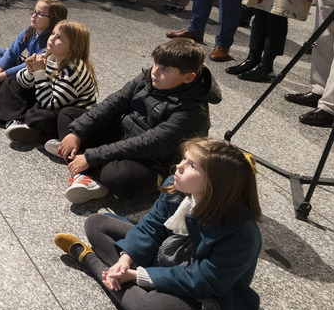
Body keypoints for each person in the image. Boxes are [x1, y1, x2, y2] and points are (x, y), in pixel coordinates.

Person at [54, 138, 277, 310]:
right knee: (95, 222)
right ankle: (128, 286)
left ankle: (90, 261)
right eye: (183, 159)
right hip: (164, 258)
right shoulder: (176, 185)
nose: (178, 167)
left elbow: (204, 280)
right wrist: (127, 259)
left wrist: (135, 275)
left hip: (198, 293)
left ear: (216, 183)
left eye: (191, 165)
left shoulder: (241, 233)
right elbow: (151, 226)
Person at [46, 38, 221, 203]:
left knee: (118, 177)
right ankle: (84, 172)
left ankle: (81, 165)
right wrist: (77, 132)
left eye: (165, 70)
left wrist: (92, 156)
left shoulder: (192, 111)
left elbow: (149, 143)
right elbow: (113, 103)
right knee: (69, 116)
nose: (155, 72)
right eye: (156, 64)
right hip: (123, 135)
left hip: (152, 160)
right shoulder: (149, 78)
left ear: (188, 77)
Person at [0, 19, 98, 145]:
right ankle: (14, 121)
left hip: (68, 111)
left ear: (73, 47)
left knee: (43, 116)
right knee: (12, 82)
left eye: (59, 38)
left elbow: (51, 104)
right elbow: (23, 83)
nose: (51, 38)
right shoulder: (49, 56)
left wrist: (39, 72)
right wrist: (30, 72)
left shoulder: (74, 71)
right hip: (48, 97)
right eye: (52, 34)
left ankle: (35, 131)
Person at [0, 0, 68, 94]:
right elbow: (12, 52)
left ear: (53, 19)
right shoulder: (30, 30)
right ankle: (1, 77)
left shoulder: (52, 41)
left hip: (34, 73)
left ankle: (3, 80)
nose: (33, 16)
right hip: (25, 63)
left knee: (23, 78)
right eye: (34, 11)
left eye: (39, 14)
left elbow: (29, 66)